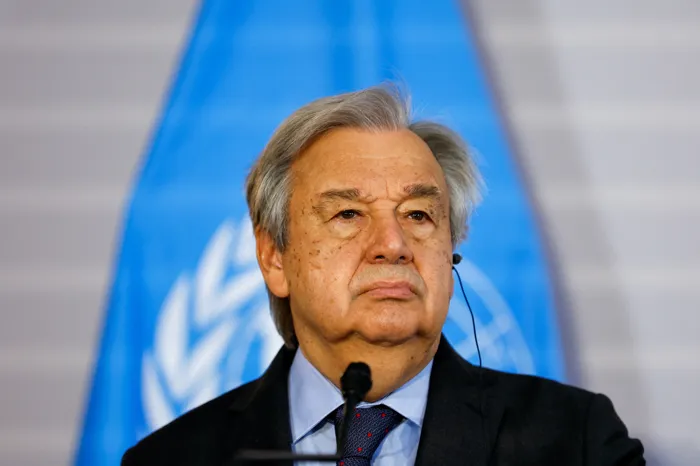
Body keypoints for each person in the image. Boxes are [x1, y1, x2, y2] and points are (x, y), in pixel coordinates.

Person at [121, 84, 645, 465]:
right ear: (275, 257)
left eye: (418, 215)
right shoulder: (172, 459)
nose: (392, 245)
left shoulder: (574, 442)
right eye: (348, 214)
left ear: (451, 252)